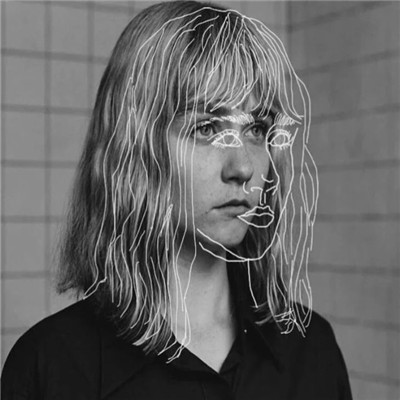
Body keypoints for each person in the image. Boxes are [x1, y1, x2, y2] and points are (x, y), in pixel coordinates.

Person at [1, 1, 352, 399]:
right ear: (135, 148)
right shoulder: (52, 368)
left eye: (257, 128)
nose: (242, 167)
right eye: (206, 128)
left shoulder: (312, 351)